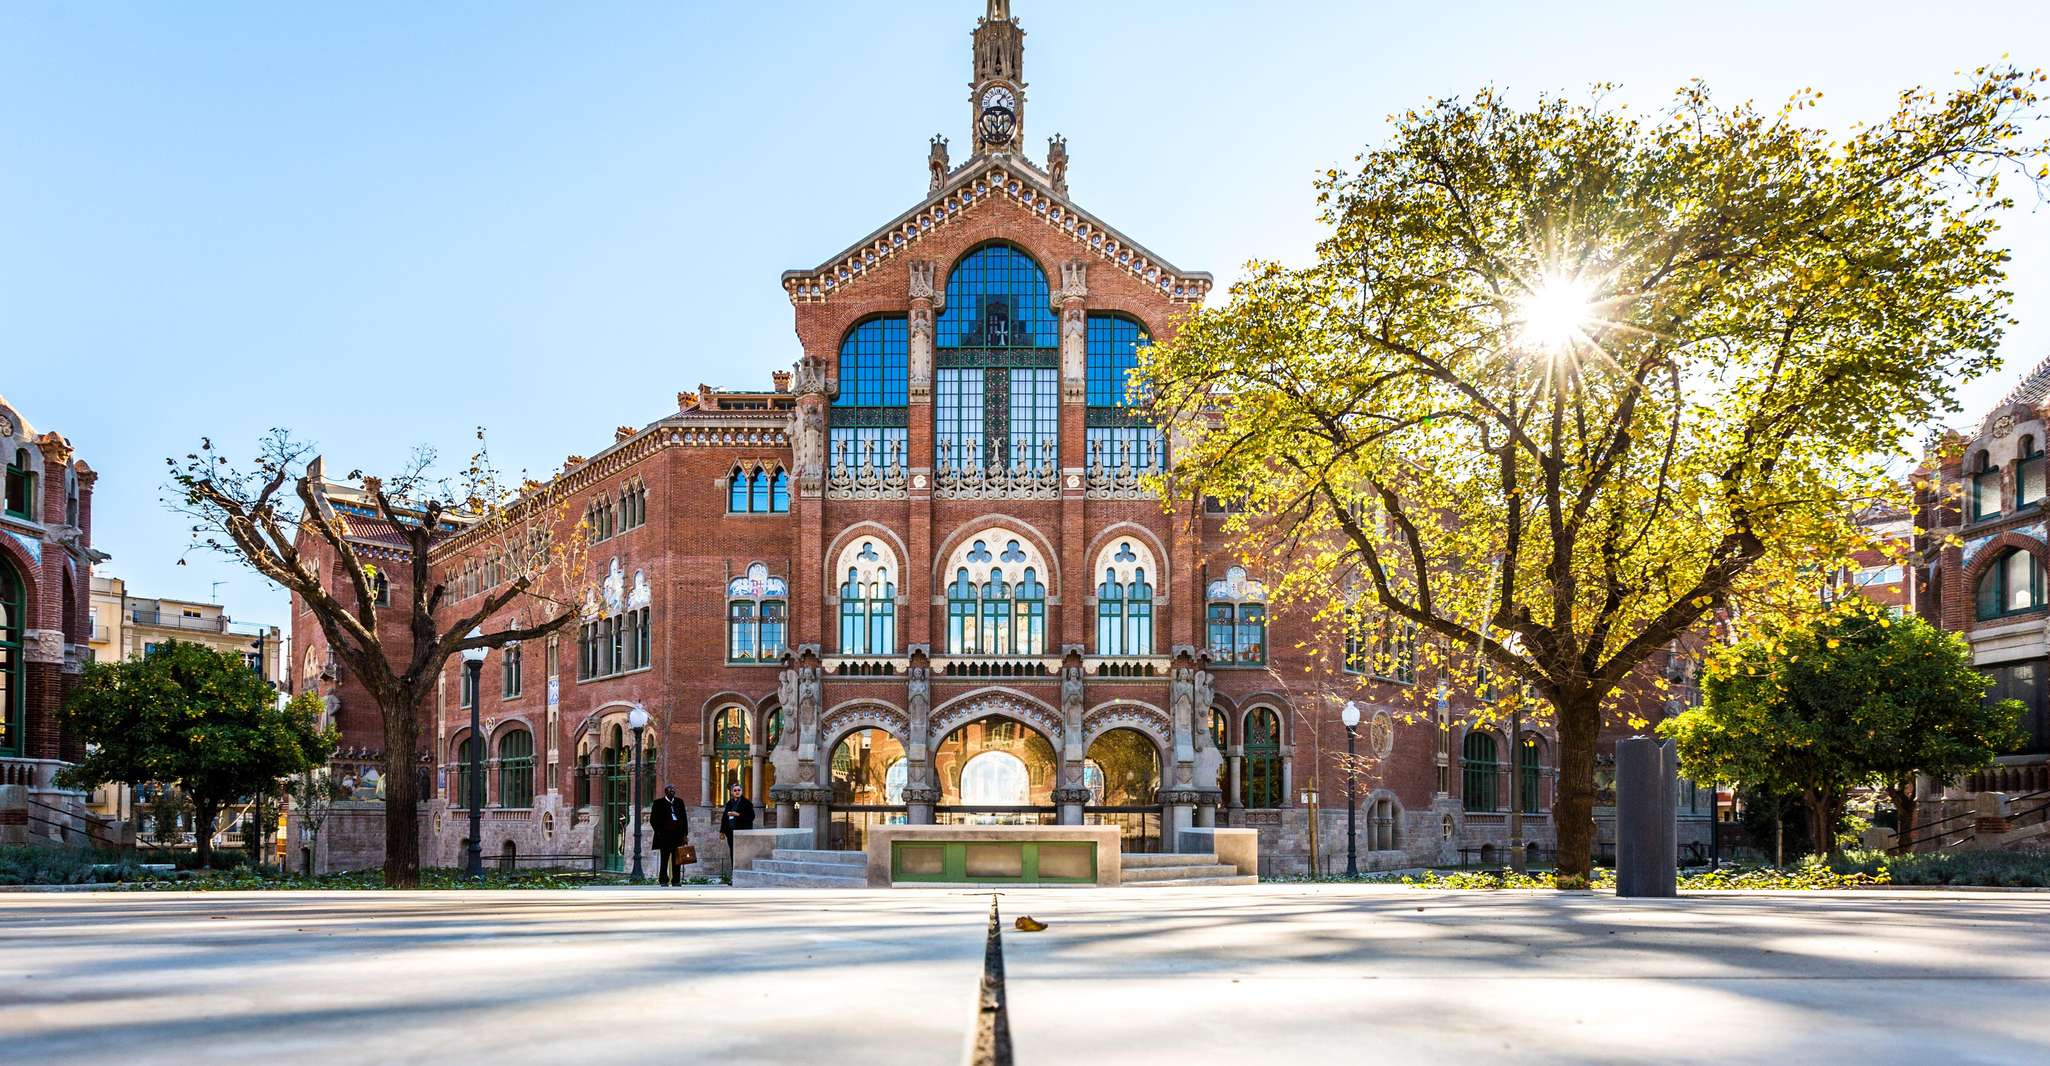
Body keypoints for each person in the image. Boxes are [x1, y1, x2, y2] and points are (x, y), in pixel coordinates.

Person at [650, 784, 687, 887]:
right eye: (670, 791)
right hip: (664, 837)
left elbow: (684, 819)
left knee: (677, 860)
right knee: (664, 859)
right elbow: (653, 820)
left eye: (673, 791)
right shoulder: (658, 803)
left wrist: (685, 835)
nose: (672, 792)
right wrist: (659, 833)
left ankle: (676, 880)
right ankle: (663, 880)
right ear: (665, 792)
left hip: (677, 836)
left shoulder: (679, 802)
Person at [720, 783, 756, 884]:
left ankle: (744, 877)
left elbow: (751, 817)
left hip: (742, 833)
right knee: (733, 854)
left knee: (743, 854)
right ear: (732, 792)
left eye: (739, 790)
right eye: (735, 790)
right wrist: (722, 831)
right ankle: (735, 877)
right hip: (731, 833)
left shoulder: (747, 803)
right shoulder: (729, 803)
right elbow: (724, 818)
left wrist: (738, 814)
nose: (737, 792)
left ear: (742, 791)